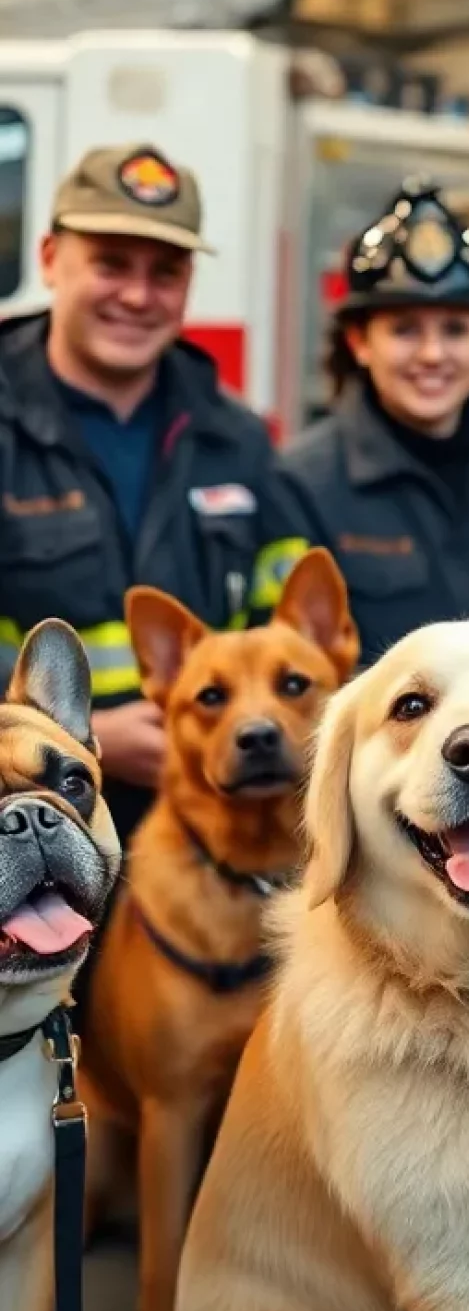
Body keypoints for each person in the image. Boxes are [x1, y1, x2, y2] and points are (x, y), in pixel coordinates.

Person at [0, 143, 304, 844]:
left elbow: (283, 628)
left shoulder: (239, 440)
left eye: (165, 273)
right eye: (110, 264)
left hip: (208, 836)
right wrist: (79, 734)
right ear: (50, 259)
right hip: (27, 836)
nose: (138, 297)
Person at [275, 178, 469, 666]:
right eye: (405, 330)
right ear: (360, 343)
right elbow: (296, 673)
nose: (433, 355)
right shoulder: (300, 485)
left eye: (455, 330)